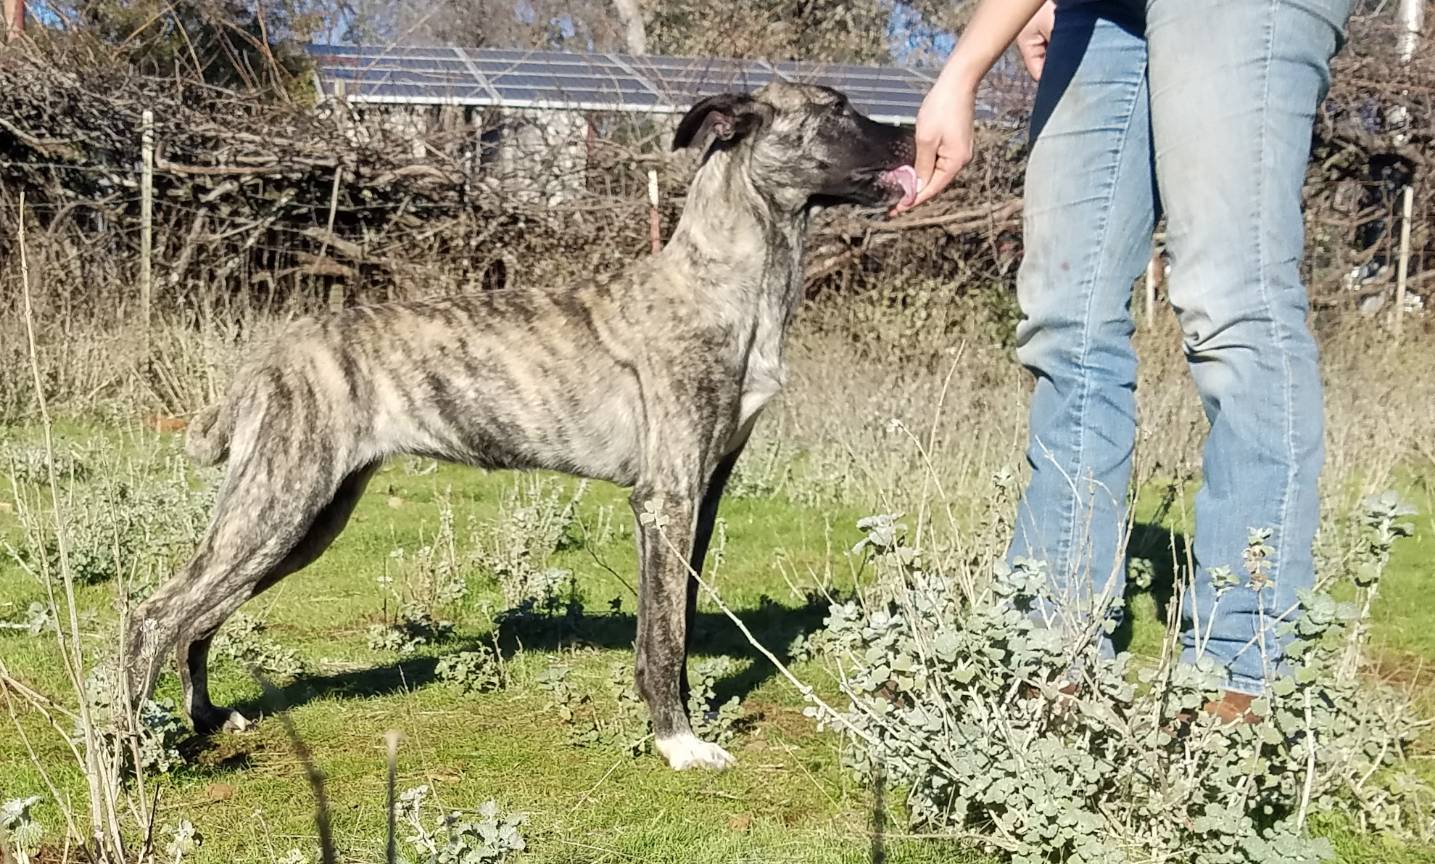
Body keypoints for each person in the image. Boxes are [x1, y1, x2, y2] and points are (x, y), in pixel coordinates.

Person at [905, 0, 1354, 718]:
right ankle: (1051, 648)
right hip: (1103, 11)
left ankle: (1244, 670)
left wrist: (961, 72)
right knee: (1063, 318)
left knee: (1230, 305)